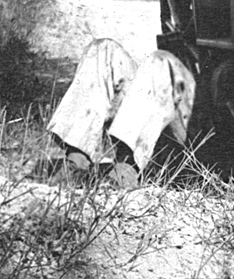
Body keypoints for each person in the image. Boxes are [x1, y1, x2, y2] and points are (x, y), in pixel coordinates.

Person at [45, 38, 196, 184]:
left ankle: (127, 166)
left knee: (161, 62)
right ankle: (77, 159)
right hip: (171, 111)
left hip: (199, 122)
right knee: (104, 49)